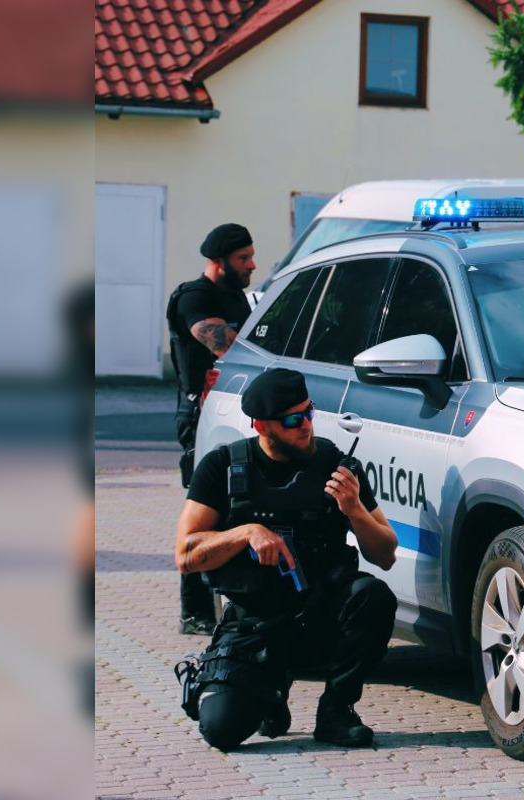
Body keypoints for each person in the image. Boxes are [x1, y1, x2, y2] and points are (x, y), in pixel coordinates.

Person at [174, 368, 398, 751]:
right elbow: (187, 556)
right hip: (255, 626)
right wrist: (244, 532)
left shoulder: (338, 465)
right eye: (292, 420)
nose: (305, 425)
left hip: (321, 620)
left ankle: (336, 712)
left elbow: (386, 554)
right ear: (261, 426)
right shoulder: (222, 467)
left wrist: (355, 509)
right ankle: (269, 694)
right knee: (221, 730)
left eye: (308, 412)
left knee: (373, 595)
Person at [167, 223, 257, 634]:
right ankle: (195, 612)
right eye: (243, 259)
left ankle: (234, 603)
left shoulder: (236, 296)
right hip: (200, 415)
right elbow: (222, 344)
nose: (251, 264)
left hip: (233, 411)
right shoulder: (195, 297)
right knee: (204, 508)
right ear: (218, 262)